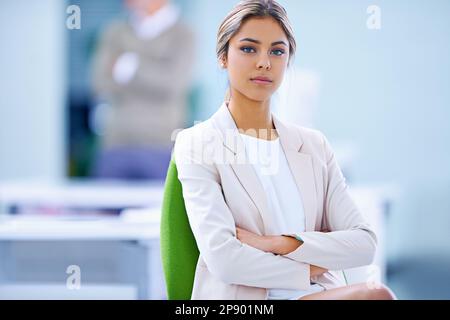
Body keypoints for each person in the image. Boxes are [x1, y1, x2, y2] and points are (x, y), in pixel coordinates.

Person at [173, 0, 397, 300]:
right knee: (375, 295)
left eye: (277, 51)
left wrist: (278, 243)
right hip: (246, 300)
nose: (264, 62)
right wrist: (308, 269)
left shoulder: (313, 145)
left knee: (375, 294)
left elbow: (365, 243)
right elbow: (224, 260)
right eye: (249, 48)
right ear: (223, 57)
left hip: (316, 294)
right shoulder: (198, 142)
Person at [91, 0, 195, 180]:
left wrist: (129, 68)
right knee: (104, 204)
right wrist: (155, 71)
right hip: (116, 142)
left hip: (161, 145)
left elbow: (172, 84)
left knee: (159, 207)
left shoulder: (183, 34)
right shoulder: (114, 32)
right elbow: (100, 82)